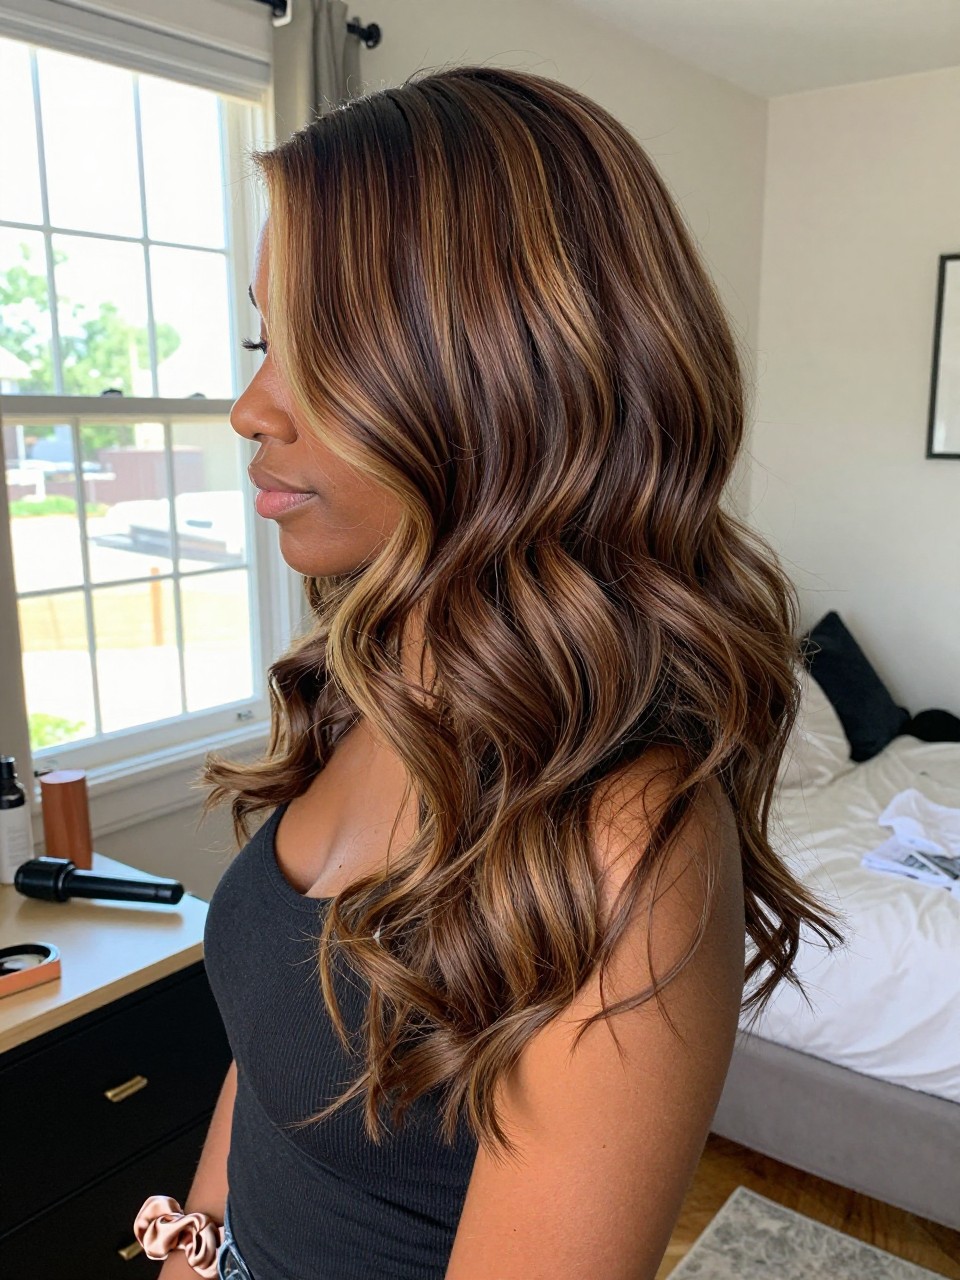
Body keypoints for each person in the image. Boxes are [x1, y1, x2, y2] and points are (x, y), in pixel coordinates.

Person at [147, 65, 841, 1280]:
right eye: (263, 336)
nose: (251, 404)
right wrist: (191, 1248)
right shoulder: (363, 677)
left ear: (501, 369)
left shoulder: (627, 835)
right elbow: (268, 1056)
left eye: (318, 346)